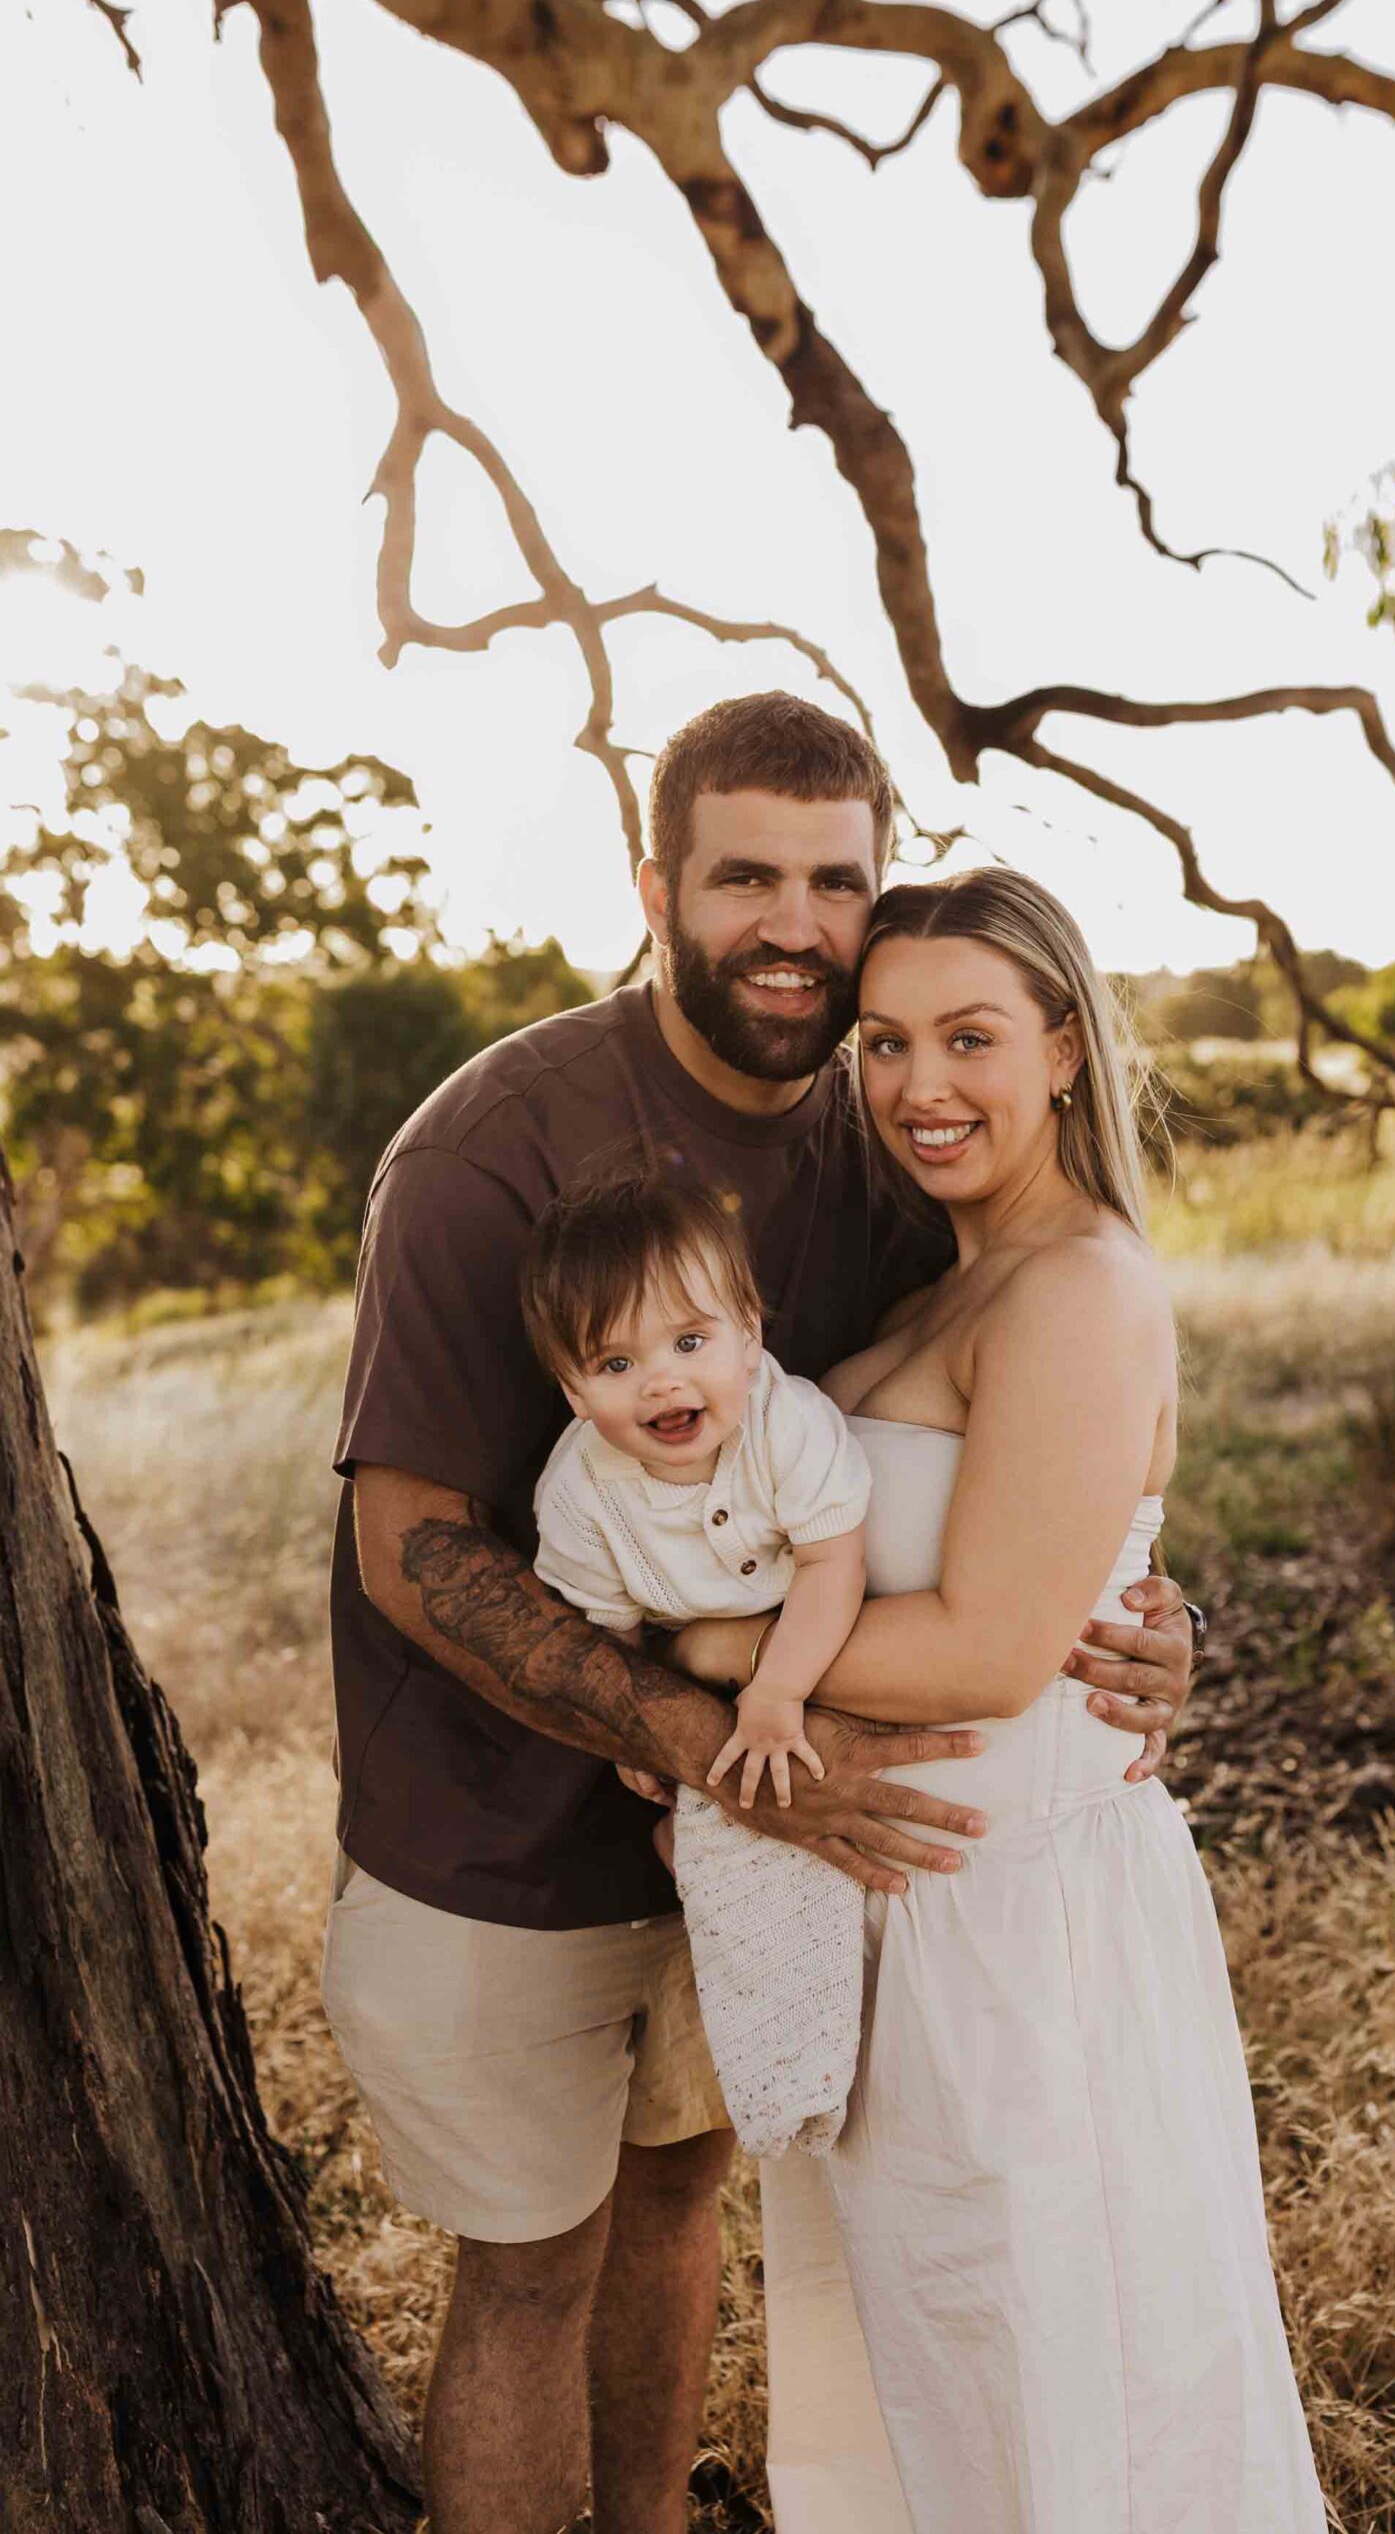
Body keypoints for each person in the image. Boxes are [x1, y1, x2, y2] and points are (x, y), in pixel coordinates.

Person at [319, 692, 1198, 2534]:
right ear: (658, 885)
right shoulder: (491, 1150)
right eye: (745, 878)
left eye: (834, 883)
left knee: (677, 2210)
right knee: (530, 2275)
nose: (793, 925)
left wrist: (1120, 1597)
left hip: (772, 1859)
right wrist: (693, 1719)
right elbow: (410, 1539)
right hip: (507, 1849)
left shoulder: (890, 1143)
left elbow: (984, 1461)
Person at [672, 867, 1326, 2532]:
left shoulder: (1076, 1284)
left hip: (1022, 1931)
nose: (918, 1086)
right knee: (930, 2399)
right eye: (882, 1042)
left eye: (969, 1036)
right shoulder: (937, 1279)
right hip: (912, 1917)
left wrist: (699, 1654)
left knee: (1052, 2385)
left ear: (1059, 1046)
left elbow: (986, 1649)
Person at [523, 1168, 877, 2157]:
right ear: (570, 1389)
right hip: (695, 1676)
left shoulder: (784, 1421)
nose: (663, 1382)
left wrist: (775, 1692)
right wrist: (629, 1731)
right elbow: (605, 1639)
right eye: (615, 1362)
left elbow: (831, 1562)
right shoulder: (580, 1495)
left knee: (818, 1788)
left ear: (749, 1336)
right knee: (721, 1815)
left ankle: (834, 2031)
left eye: (690, 1342)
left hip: (820, 1639)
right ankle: (783, 2063)